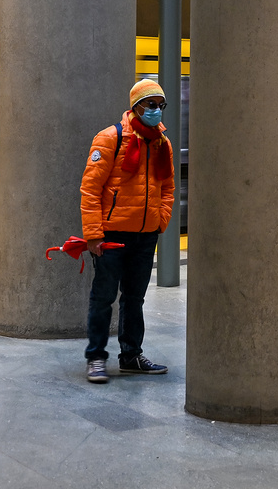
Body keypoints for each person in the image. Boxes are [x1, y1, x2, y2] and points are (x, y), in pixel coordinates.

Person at [81, 78, 176, 383]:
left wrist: (160, 221)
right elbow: (90, 188)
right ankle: (96, 357)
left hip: (146, 236)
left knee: (134, 299)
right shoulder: (110, 138)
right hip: (112, 236)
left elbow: (168, 187)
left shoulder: (163, 143)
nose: (157, 111)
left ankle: (131, 356)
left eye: (161, 106)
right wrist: (94, 234)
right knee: (103, 298)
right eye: (151, 105)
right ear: (136, 106)